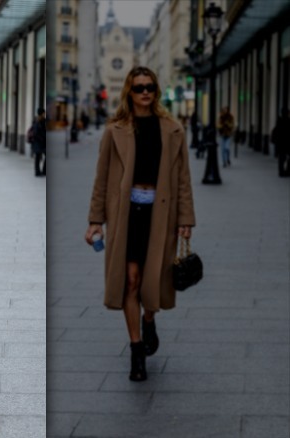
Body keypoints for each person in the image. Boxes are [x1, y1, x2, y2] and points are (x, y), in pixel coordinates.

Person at [84, 66, 195, 382]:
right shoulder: (115, 129)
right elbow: (101, 179)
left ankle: (149, 320)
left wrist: (186, 219)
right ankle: (136, 352)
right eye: (138, 87)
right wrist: (95, 221)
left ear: (156, 91)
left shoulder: (172, 130)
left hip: (161, 216)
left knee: (153, 281)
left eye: (149, 87)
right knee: (131, 281)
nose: (145, 92)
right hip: (126, 215)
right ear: (129, 93)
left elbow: (183, 179)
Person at [271, 108, 289, 177]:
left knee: (281, 159)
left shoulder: (279, 121)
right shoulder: (287, 121)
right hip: (286, 143)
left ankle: (281, 172)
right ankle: (286, 171)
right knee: (285, 158)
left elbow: (276, 132)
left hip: (280, 144)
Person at [31, 108, 47, 176]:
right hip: (38, 142)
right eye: (44, 113)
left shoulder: (43, 121)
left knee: (40, 157)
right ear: (41, 113)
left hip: (42, 142)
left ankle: (44, 171)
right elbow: (36, 133)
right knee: (37, 157)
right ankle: (37, 172)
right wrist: (42, 138)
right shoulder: (37, 121)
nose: (44, 114)